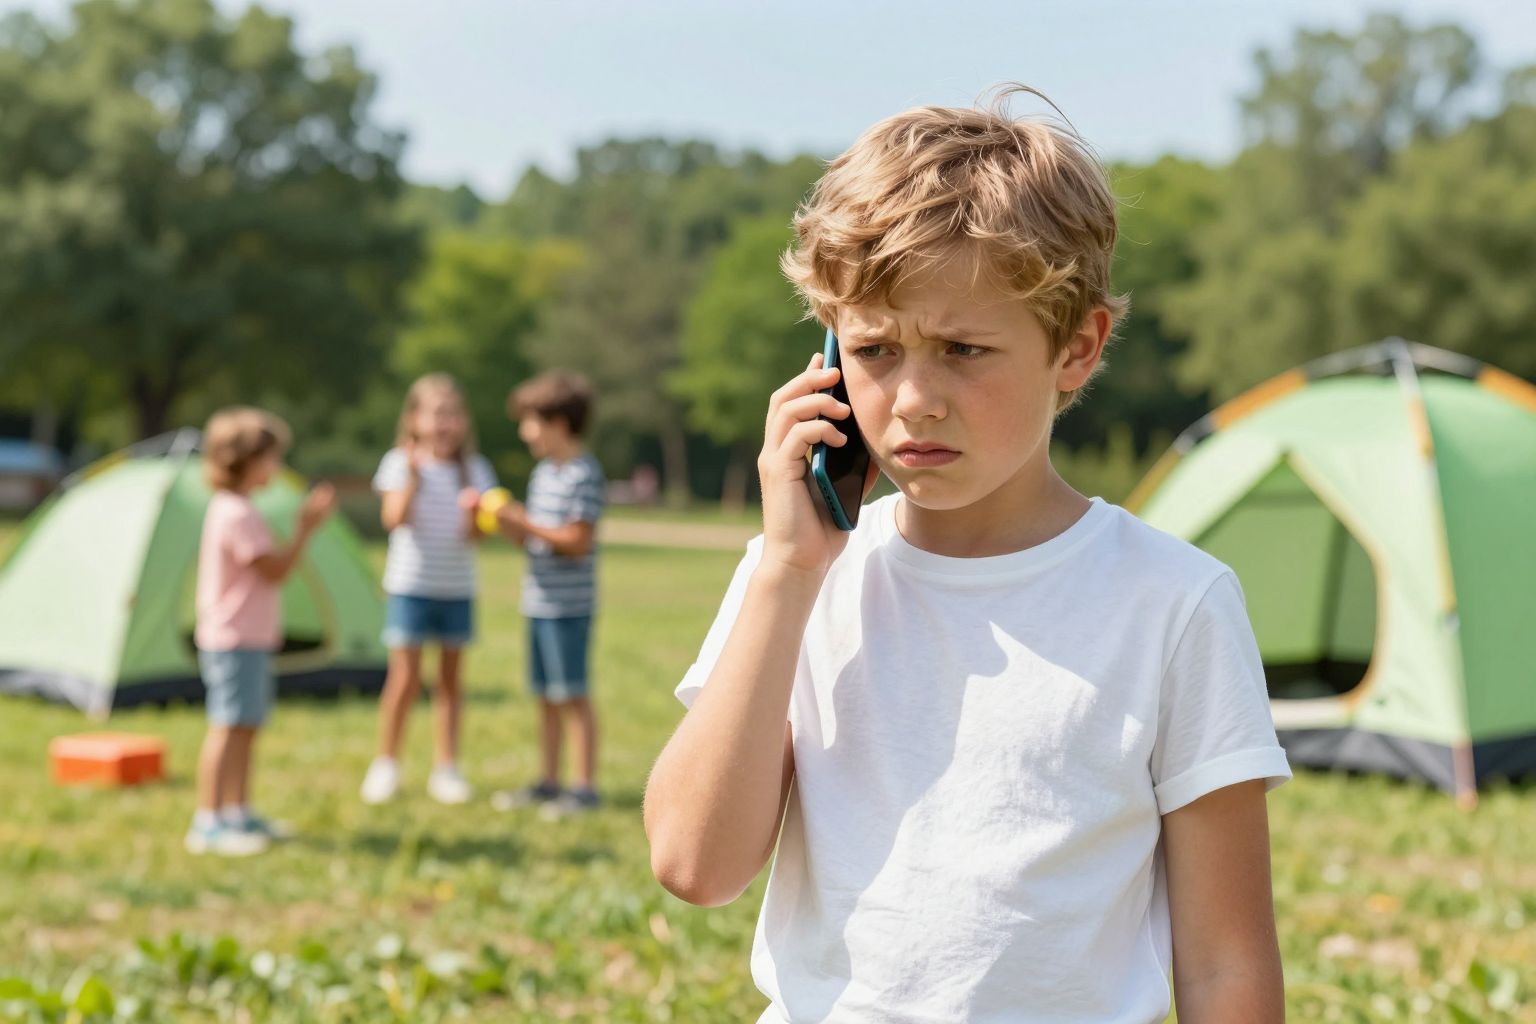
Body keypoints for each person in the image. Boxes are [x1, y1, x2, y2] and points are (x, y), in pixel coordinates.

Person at [644, 88, 1292, 1023]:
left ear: (1076, 347)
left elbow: (1226, 962)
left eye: (962, 348)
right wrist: (788, 574)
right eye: (873, 348)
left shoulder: (1173, 602)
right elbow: (694, 865)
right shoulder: (795, 578)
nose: (913, 399)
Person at [188, 407, 335, 856]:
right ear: (244, 461)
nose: (277, 467)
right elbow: (274, 571)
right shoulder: (236, 514)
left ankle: (237, 810)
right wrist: (306, 530)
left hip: (248, 638)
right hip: (234, 640)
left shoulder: (239, 509)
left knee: (246, 725)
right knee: (228, 727)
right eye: (271, 458)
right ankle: (207, 822)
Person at [360, 374, 497, 805]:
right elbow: (392, 519)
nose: (446, 422)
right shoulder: (399, 463)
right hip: (410, 586)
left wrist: (477, 514)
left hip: (456, 587)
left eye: (453, 414)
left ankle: (447, 767)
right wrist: (414, 480)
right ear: (414, 419)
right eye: (436, 413)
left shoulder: (475, 470)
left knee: (451, 682)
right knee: (404, 678)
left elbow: (478, 536)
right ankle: (386, 763)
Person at [489, 371, 606, 816]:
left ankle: (584, 787)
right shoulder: (544, 474)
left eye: (531, 421)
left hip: (568, 607)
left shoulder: (583, 473)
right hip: (537, 602)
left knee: (572, 694)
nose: (524, 432)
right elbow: (534, 540)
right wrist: (509, 526)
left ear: (558, 423)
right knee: (545, 696)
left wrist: (526, 523)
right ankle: (549, 781)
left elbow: (577, 541)